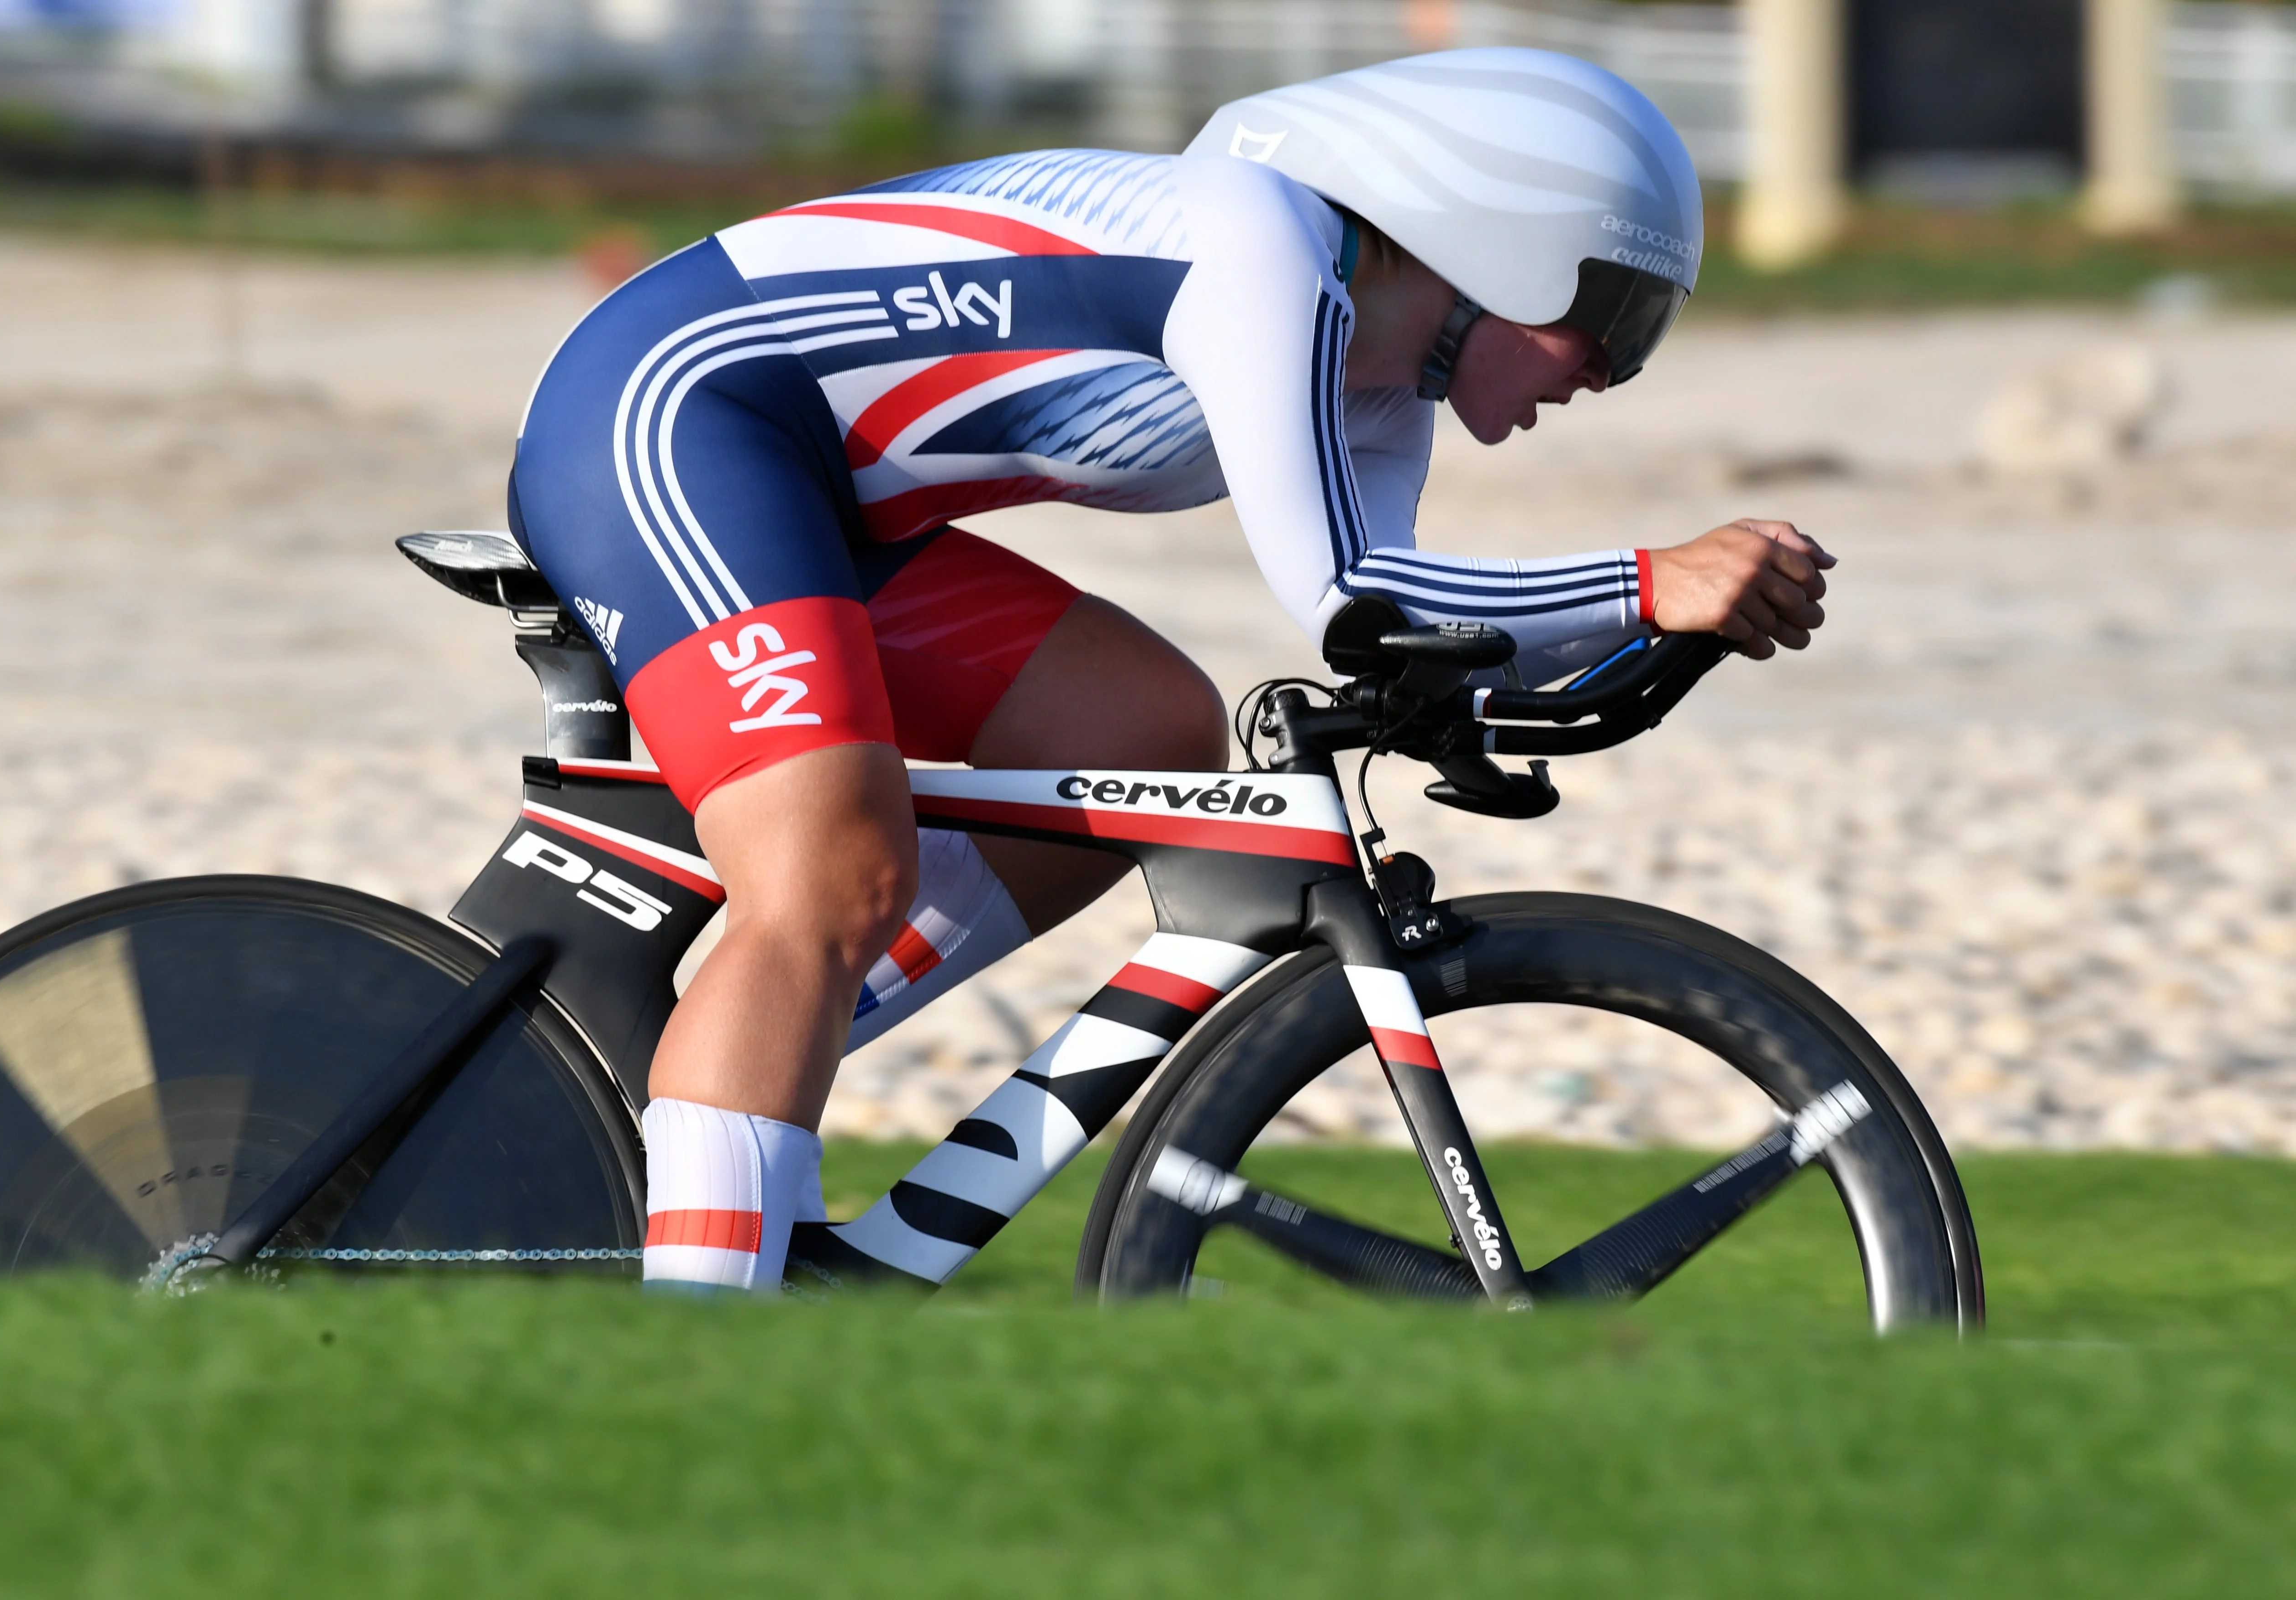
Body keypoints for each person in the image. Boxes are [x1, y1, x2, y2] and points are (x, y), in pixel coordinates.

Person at [507, 48, 1836, 1293]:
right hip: (671, 409)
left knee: (1143, 730)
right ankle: (697, 1340)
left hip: (808, 492)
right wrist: (1651, 581)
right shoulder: (1261, 251)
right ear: (1505, 240)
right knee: (829, 874)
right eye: (1616, 313)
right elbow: (1356, 596)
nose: (1613, 370)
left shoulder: (1375, 379)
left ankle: (705, 1109)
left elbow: (1397, 623)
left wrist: (1633, 645)